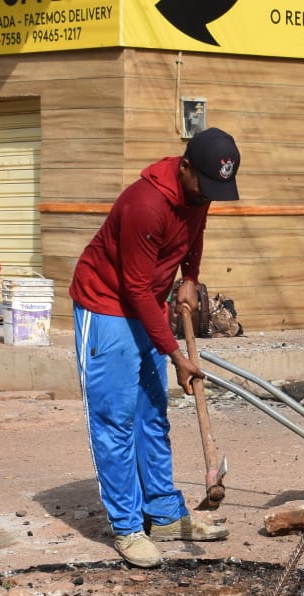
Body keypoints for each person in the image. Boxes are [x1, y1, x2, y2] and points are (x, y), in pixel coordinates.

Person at [68, 127, 241, 569]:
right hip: (107, 305)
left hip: (145, 301)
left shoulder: (199, 194)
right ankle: (127, 527)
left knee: (151, 413)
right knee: (116, 418)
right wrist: (177, 355)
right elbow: (137, 289)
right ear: (185, 169)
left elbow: (194, 234)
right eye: (206, 187)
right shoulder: (145, 204)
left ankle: (163, 513)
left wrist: (189, 278)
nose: (210, 197)